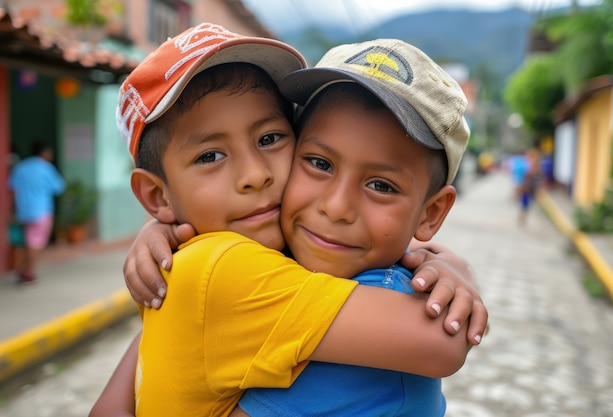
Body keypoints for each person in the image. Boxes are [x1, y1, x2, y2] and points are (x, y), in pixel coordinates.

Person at [90, 23, 486, 417]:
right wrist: (458, 271)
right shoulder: (225, 270)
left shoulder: (199, 266)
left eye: (269, 139)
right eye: (319, 163)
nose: (255, 174)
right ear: (158, 196)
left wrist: (439, 259)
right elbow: (441, 341)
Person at [230, 38, 473, 417]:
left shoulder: (382, 338)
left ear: (431, 213)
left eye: (381, 186)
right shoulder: (278, 260)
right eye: (319, 163)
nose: (337, 207)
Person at [8, 141, 66, 283]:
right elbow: (59, 187)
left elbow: (11, 187)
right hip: (41, 211)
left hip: (23, 211)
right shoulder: (46, 168)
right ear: (45, 153)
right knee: (34, 243)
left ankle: (23, 270)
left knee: (26, 242)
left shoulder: (20, 167)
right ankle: (29, 272)